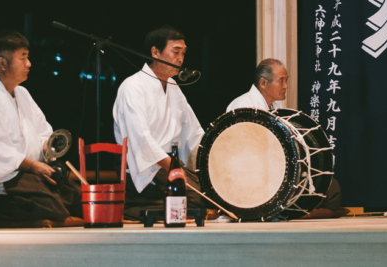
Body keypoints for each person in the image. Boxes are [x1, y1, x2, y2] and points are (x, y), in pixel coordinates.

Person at [0, 30, 82, 223]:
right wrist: (33, 166)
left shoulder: (22, 93)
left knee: (78, 198)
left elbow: (43, 131)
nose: (29, 63)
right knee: (50, 204)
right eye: (23, 58)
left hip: (27, 174)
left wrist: (46, 147)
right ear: (2, 63)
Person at [228, 58, 345, 217]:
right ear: (263, 83)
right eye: (281, 81)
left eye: (286, 80)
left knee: (331, 190)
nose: (285, 86)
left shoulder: (277, 107)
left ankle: (297, 211)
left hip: (277, 170)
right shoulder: (243, 106)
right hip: (253, 175)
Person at [113, 26, 206, 221]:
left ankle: (150, 207)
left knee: (206, 191)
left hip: (169, 164)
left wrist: (209, 162)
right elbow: (140, 138)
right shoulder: (132, 87)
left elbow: (193, 133)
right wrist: (171, 167)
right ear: (155, 52)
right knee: (194, 200)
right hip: (147, 166)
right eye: (175, 52)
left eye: (183, 53)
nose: (180, 59)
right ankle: (133, 206)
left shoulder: (173, 86)